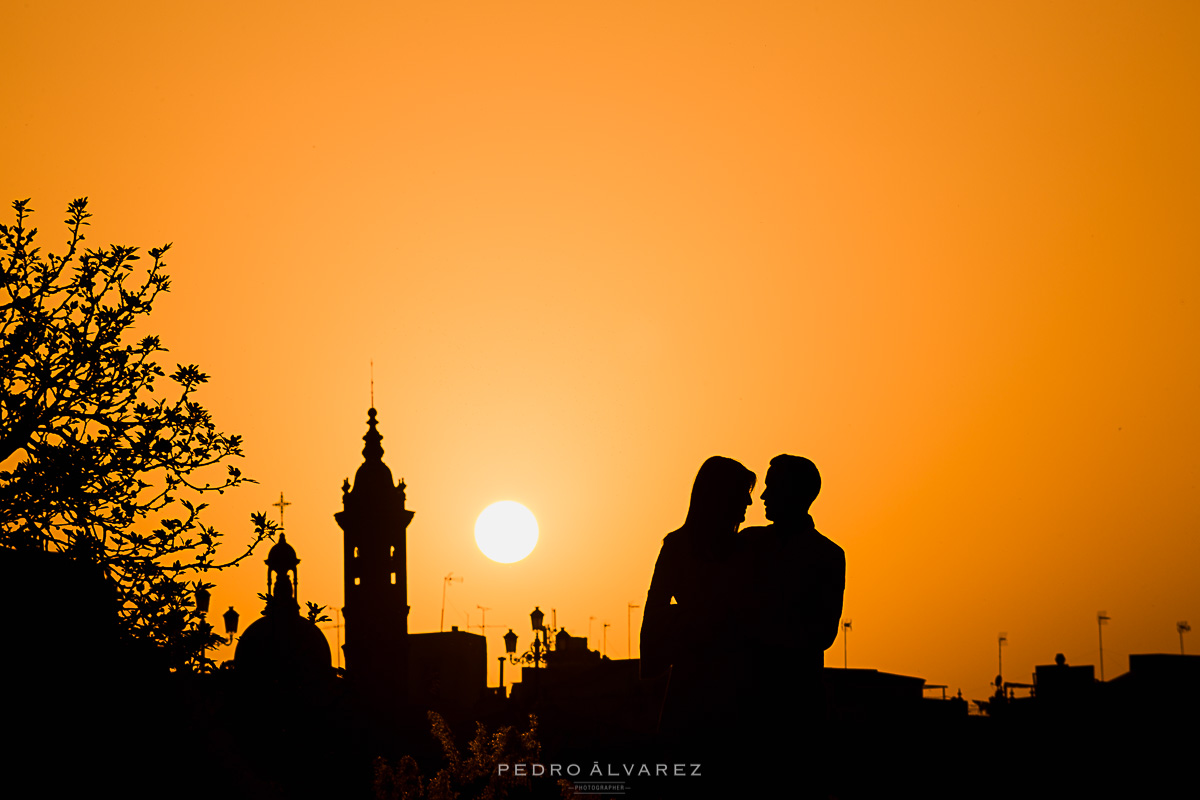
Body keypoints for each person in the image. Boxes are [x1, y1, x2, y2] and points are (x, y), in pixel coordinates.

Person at [640, 456, 756, 782]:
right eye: (741, 493)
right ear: (719, 496)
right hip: (693, 691)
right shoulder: (677, 547)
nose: (749, 501)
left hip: (739, 691)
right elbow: (654, 616)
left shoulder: (749, 548)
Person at [739, 454, 845, 795]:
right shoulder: (748, 544)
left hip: (796, 708)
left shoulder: (827, 555)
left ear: (796, 493)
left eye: (772, 487)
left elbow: (823, 632)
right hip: (749, 706)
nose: (764, 496)